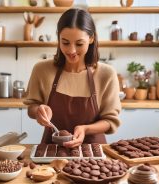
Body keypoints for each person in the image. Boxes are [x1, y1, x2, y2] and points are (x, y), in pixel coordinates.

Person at [24, 8, 121, 148]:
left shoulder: (106, 74)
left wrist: (85, 129)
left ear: (91, 38)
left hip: (93, 155)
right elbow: (31, 107)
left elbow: (110, 121)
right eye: (65, 42)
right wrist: (38, 111)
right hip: (52, 151)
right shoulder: (41, 70)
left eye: (79, 44)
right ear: (58, 38)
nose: (71, 50)